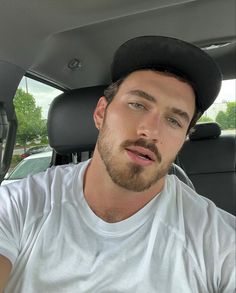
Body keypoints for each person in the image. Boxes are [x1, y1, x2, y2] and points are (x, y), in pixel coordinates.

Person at [0, 36, 235, 292]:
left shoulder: (216, 239)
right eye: (137, 104)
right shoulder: (19, 204)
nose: (150, 130)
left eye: (174, 121)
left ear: (183, 140)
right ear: (101, 113)